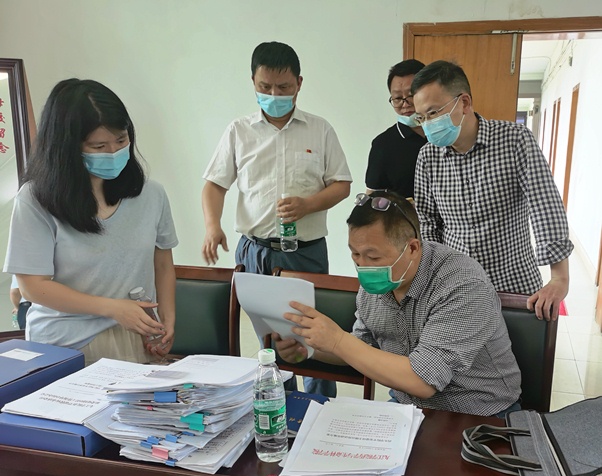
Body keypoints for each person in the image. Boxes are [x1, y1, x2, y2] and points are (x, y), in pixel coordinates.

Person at [274, 191, 521, 417]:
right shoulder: (377, 283)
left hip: (479, 414)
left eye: (373, 256)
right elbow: (362, 345)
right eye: (355, 254)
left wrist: (338, 340)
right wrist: (309, 348)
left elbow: (423, 381)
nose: (362, 267)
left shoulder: (462, 284)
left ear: (412, 248)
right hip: (408, 408)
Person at [202, 41, 352, 397]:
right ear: (253, 83)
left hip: (305, 253)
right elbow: (214, 185)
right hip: (256, 252)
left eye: (283, 87)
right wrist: (212, 226)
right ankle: (278, 407)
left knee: (313, 338)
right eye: (265, 87)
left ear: (299, 83)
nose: (274, 95)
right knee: (270, 345)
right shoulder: (239, 131)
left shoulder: (320, 130)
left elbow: (342, 185)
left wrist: (308, 205)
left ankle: (320, 410)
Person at [3, 78, 178, 366]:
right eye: (99, 146)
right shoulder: (36, 200)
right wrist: (113, 308)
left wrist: (168, 319)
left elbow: (162, 263)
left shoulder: (151, 194)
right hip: (65, 344)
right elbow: (33, 287)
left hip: (135, 334)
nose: (113, 153)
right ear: (68, 147)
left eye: (121, 141)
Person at [410, 60, 573, 322]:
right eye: (422, 117)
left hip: (514, 283)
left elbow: (545, 206)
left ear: (464, 103)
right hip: (457, 287)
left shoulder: (514, 140)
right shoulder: (428, 157)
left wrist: (559, 278)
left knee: (519, 348)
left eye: (433, 113)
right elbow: (429, 222)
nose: (428, 124)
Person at [365, 59, 426, 198]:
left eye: (411, 95)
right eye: (398, 98)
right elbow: (373, 197)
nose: (405, 104)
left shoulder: (446, 133)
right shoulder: (383, 145)